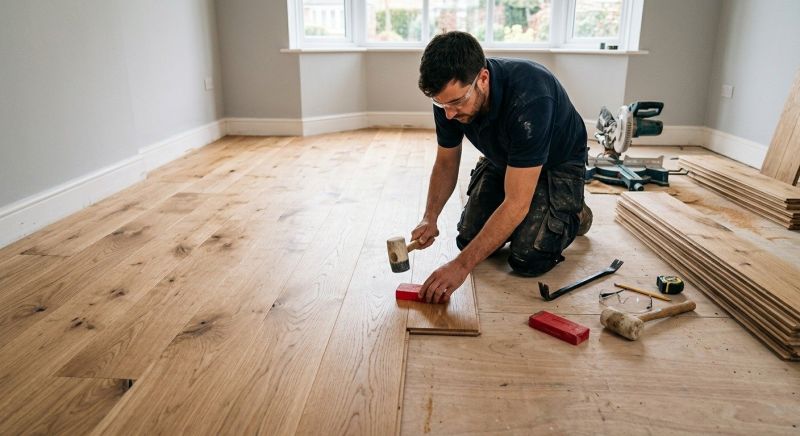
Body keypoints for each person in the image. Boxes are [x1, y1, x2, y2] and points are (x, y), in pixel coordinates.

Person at [412, 31, 592, 304]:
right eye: (441, 104)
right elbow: (447, 161)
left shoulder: (531, 98)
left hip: (558, 165)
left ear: (482, 78)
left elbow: (516, 202)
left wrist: (460, 267)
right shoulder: (448, 98)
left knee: (527, 257)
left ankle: (574, 210)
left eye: (457, 103)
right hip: (505, 158)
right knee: (467, 239)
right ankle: (541, 207)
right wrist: (430, 217)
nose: (448, 113)